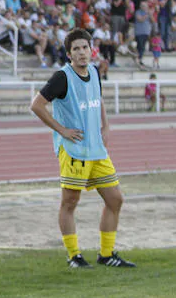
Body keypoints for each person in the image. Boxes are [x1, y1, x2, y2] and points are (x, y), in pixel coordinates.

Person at [30, 28, 135, 269]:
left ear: (91, 50)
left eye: (84, 47)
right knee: (70, 203)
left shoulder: (95, 72)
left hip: (96, 150)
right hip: (74, 151)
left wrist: (105, 125)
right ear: (69, 54)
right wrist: (62, 130)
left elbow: (99, 99)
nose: (81, 53)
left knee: (116, 199)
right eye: (76, 49)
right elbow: (36, 105)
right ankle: (74, 255)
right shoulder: (62, 77)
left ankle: (106, 255)